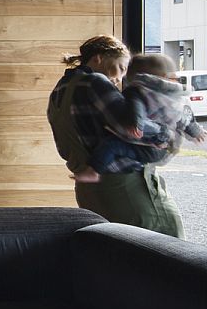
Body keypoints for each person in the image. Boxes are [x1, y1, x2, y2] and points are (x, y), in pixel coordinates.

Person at [46, 35, 185, 237]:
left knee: (118, 257)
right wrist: (166, 132)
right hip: (125, 190)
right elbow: (129, 127)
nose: (120, 78)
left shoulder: (60, 89)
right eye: (120, 68)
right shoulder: (94, 82)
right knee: (170, 250)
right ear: (99, 58)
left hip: (89, 191)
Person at [74, 53, 207, 180]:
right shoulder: (177, 96)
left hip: (149, 145)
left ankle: (93, 170)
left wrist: (136, 123)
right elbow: (185, 117)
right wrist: (196, 132)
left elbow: (137, 108)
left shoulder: (137, 90)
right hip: (165, 148)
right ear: (170, 76)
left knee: (112, 146)